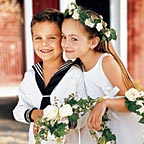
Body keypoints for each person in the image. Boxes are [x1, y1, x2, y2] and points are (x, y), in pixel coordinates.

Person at [61, 2, 144, 144]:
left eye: (74, 39)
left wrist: (106, 102)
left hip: (118, 132)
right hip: (94, 133)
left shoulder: (105, 63)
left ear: (93, 43)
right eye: (64, 36)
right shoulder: (76, 67)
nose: (65, 44)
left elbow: (133, 102)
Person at [13, 8, 87, 144]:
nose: (44, 44)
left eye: (52, 37)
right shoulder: (30, 75)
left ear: (63, 39)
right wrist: (33, 114)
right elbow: (18, 109)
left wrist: (61, 120)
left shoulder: (75, 74)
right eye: (38, 38)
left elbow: (84, 115)